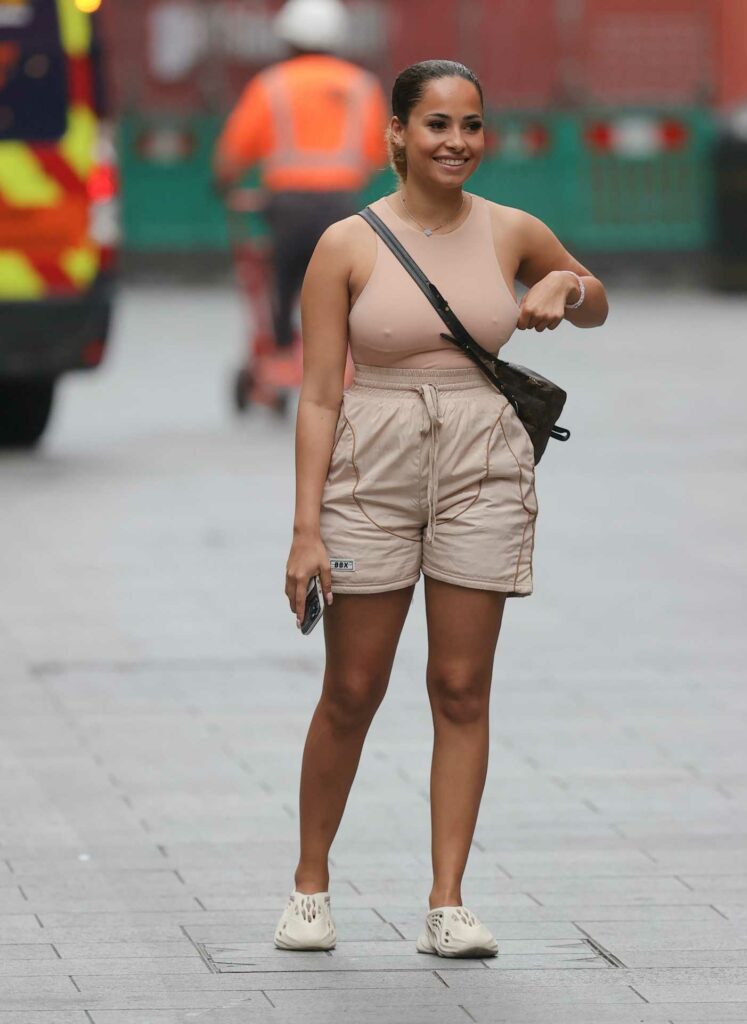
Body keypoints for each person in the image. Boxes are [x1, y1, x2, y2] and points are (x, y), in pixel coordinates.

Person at [275, 59, 609, 957]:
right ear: (395, 134)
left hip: (482, 462)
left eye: (470, 125)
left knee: (460, 687)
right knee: (352, 688)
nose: (455, 142)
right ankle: (309, 887)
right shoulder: (345, 244)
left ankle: (447, 903)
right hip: (371, 462)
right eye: (435, 125)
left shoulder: (512, 229)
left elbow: (596, 302)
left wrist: (563, 287)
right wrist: (305, 531)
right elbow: (315, 396)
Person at [213, 0, 388, 382]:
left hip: (287, 205)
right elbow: (379, 152)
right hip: (342, 206)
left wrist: (222, 182)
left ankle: (279, 351)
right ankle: (346, 355)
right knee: (343, 282)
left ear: (287, 38)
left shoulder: (271, 85)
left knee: (284, 277)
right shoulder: (361, 85)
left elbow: (235, 150)